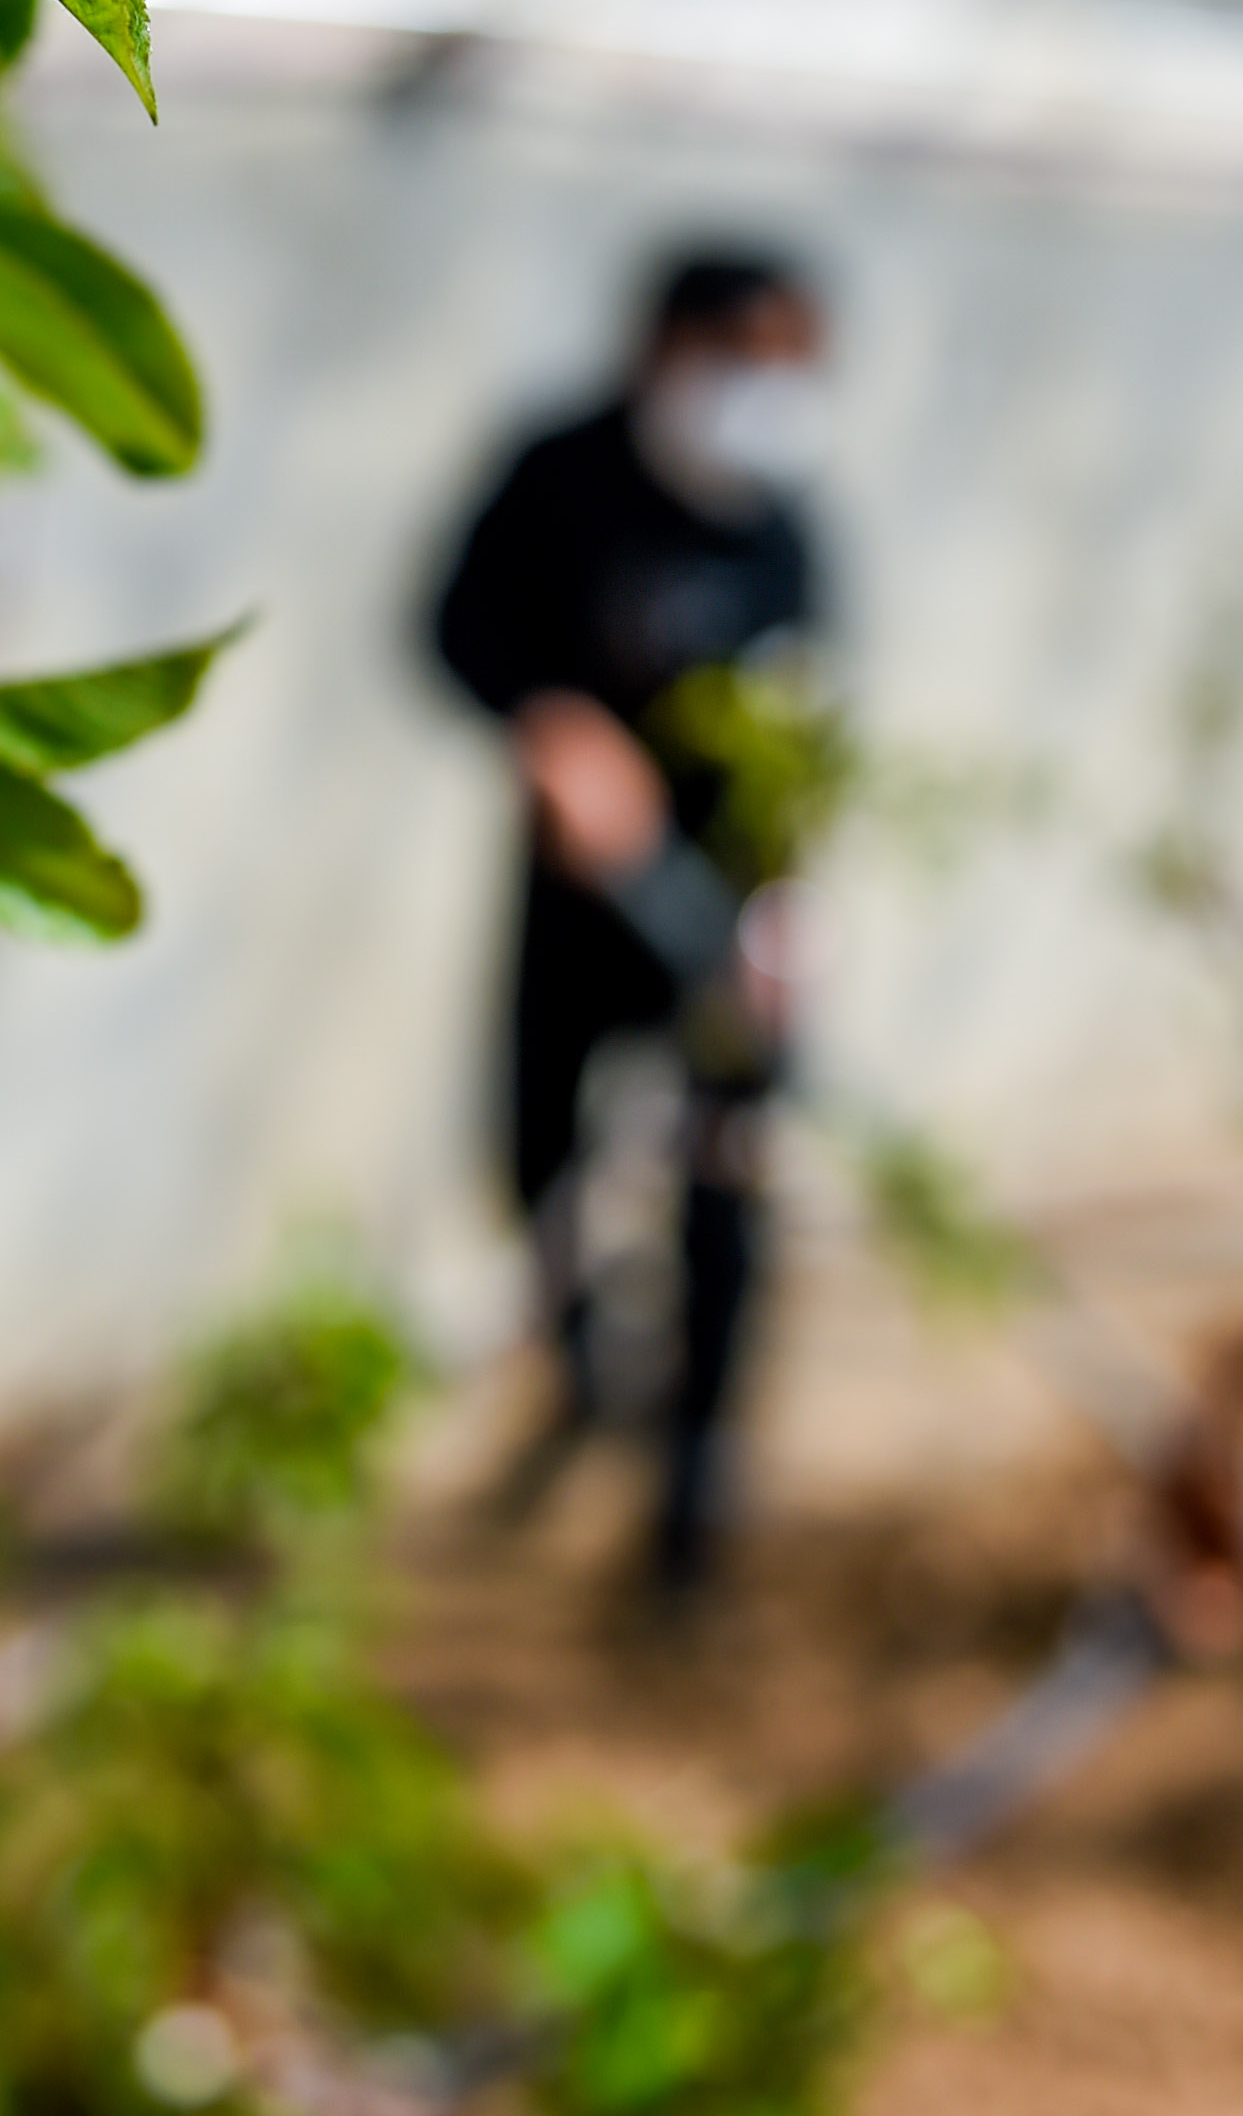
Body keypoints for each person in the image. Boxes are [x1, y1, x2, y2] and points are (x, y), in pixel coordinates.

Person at [429, 246, 831, 1601]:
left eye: (789, 368)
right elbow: (452, 625)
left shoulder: (784, 530)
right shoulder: (562, 477)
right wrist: (549, 722)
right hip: (580, 895)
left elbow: (807, 733)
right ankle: (583, 1366)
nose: (764, 398)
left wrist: (785, 912)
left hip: (728, 904)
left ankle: (695, 1481)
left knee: (727, 1171)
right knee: (541, 1140)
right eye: (742, 361)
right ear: (664, 345)